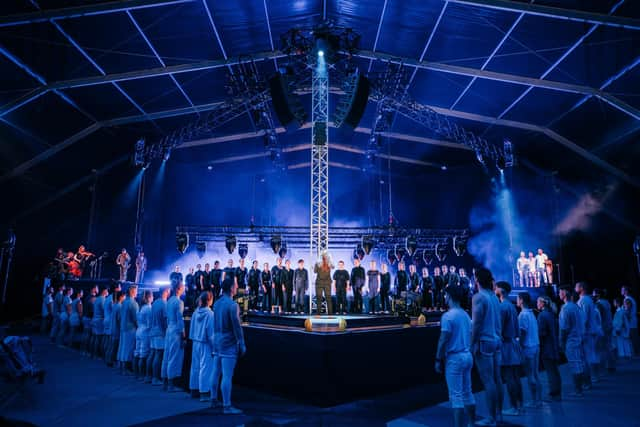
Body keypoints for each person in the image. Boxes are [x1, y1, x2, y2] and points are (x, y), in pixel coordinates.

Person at [435, 284, 476, 427]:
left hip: (454, 358)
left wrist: (438, 359)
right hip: (467, 355)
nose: (445, 297)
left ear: (450, 296)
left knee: (456, 396)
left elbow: (443, 339)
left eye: (446, 295)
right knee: (468, 392)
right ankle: (471, 423)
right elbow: (471, 335)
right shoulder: (465, 314)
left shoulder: (447, 316)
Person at [471, 268, 502, 426]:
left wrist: (471, 344)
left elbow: (476, 324)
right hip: (496, 340)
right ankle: (499, 414)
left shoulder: (478, 297)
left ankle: (492, 418)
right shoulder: (494, 297)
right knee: (497, 380)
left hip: (484, 341)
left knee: (489, 381)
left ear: (477, 280)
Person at [210, 278, 246, 414]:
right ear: (231, 288)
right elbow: (237, 326)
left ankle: (213, 399)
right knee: (227, 375)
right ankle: (227, 406)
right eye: (236, 286)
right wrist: (241, 342)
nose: (237, 288)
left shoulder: (217, 304)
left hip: (217, 340)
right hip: (228, 342)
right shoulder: (232, 305)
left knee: (215, 371)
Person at [494, 282, 522, 416]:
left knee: (509, 377)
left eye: (497, 287)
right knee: (515, 377)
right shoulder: (511, 305)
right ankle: (519, 405)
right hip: (513, 344)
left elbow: (498, 329)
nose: (495, 289)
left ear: (502, 290)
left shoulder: (502, 306)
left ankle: (514, 407)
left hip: (506, 345)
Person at [559, 286, 586, 397]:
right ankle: (580, 387)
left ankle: (578, 389)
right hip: (579, 338)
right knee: (579, 363)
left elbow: (564, 328)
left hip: (571, 340)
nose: (559, 294)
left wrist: (561, 342)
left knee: (575, 364)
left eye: (560, 292)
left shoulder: (566, 309)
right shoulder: (576, 306)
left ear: (565, 293)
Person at [517, 292, 541, 408]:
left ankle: (534, 400)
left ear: (521, 300)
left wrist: (519, 346)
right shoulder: (532, 313)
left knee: (530, 375)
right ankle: (539, 399)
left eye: (517, 299)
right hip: (536, 345)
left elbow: (522, 333)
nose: (517, 301)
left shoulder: (522, 315)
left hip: (528, 347)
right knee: (535, 374)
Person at [189, 292, 215, 401]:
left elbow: (191, 327)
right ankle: (204, 393)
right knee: (205, 368)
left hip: (195, 342)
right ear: (209, 300)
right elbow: (211, 333)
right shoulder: (210, 314)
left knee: (195, 366)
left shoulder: (195, 312)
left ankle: (193, 390)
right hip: (205, 344)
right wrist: (214, 347)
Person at [576, 281, 602, 383]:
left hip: (587, 332)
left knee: (588, 355)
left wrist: (581, 332)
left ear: (581, 288)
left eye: (576, 287)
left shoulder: (584, 301)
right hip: (590, 331)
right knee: (591, 354)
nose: (575, 288)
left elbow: (584, 318)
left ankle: (592, 377)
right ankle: (595, 376)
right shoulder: (588, 300)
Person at [537, 296, 562, 401]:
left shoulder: (542, 315)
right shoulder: (552, 314)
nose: (537, 304)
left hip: (547, 348)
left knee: (550, 371)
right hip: (554, 346)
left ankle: (554, 394)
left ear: (543, 303)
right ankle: (557, 393)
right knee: (555, 370)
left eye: (538, 302)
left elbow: (542, 333)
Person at [164, 280, 185, 392]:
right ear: (178, 289)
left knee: (166, 356)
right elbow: (180, 320)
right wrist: (183, 336)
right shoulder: (179, 302)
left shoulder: (169, 300)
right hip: (175, 332)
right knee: (173, 357)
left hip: (169, 330)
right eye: (183, 287)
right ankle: (171, 385)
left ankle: (165, 383)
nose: (184, 288)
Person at [149, 286, 169, 386]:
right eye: (168, 291)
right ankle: (155, 378)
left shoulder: (155, 302)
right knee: (158, 355)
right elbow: (165, 319)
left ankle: (149, 376)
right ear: (166, 292)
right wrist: (166, 331)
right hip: (160, 333)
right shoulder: (164, 303)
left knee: (152, 354)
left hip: (153, 331)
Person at [117, 285, 139, 375]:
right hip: (130, 328)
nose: (137, 293)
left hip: (123, 327)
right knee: (128, 348)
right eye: (136, 291)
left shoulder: (124, 301)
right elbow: (136, 318)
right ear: (133, 292)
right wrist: (138, 327)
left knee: (122, 347)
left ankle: (121, 367)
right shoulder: (133, 303)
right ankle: (125, 369)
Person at [593, 289, 614, 373]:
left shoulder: (599, 304)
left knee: (602, 348)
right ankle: (611, 365)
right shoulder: (607, 302)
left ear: (597, 295)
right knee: (608, 346)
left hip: (604, 327)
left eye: (594, 295)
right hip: (609, 326)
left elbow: (600, 316)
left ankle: (605, 366)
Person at [134, 290, 153, 382]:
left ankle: (136, 374)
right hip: (145, 332)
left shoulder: (140, 307)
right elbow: (150, 324)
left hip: (138, 330)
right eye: (152, 296)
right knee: (143, 355)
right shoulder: (148, 308)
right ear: (149, 297)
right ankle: (143, 375)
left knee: (137, 353)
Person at [104, 283, 121, 367]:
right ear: (116, 289)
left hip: (108, 321)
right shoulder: (112, 299)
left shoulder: (110, 298)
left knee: (109, 341)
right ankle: (108, 359)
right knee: (110, 342)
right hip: (110, 321)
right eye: (120, 287)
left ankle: (107, 358)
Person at [106, 291, 126, 367]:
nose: (124, 298)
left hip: (112, 328)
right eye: (124, 296)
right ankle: (111, 361)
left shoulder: (115, 305)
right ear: (121, 297)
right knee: (114, 346)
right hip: (116, 329)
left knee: (111, 345)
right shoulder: (119, 307)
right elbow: (119, 319)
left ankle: (108, 359)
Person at [621, 285, 638, 356]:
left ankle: (635, 356)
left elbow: (627, 312)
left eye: (622, 290)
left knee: (632, 340)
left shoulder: (627, 299)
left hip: (630, 323)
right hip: (633, 322)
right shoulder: (631, 298)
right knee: (634, 339)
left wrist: (624, 322)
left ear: (626, 291)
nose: (621, 291)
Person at [91, 286, 107, 358]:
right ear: (104, 291)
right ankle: (96, 354)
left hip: (94, 318)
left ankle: (92, 353)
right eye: (106, 290)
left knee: (94, 337)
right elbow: (104, 310)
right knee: (98, 338)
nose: (107, 292)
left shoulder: (96, 299)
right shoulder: (102, 299)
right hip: (99, 320)